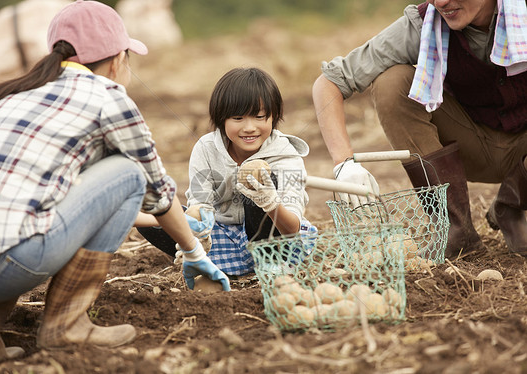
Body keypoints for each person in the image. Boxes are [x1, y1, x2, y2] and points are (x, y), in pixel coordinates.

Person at [0, 0, 228, 361]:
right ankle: (66, 324)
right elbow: (155, 190)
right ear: (118, 59)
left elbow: (82, 203)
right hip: (2, 268)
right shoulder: (108, 97)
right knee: (128, 171)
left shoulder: (8, 95)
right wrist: (194, 251)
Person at [312, 0, 527, 259]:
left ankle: (511, 203)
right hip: (469, 147)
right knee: (392, 83)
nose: (442, 2)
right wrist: (343, 162)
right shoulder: (426, 23)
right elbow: (330, 82)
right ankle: (456, 231)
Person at [138, 67, 317, 276]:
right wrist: (198, 235)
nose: (250, 127)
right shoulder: (206, 148)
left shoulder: (285, 156)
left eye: (259, 117)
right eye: (238, 118)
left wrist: (270, 203)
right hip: (221, 233)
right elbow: (200, 204)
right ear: (221, 119)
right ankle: (204, 258)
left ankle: (269, 265)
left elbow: (292, 230)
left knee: (264, 182)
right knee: (154, 214)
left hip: (272, 241)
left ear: (273, 117)